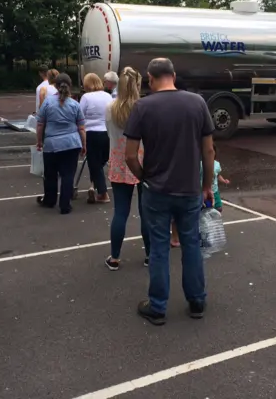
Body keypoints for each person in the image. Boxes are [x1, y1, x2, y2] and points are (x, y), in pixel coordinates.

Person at [124, 57, 215, 326]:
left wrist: (144, 179)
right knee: (191, 245)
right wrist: (207, 186)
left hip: (157, 191)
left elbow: (130, 156)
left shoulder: (143, 106)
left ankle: (158, 306)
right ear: (173, 75)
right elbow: (208, 151)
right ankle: (197, 300)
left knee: (160, 248)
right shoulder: (197, 103)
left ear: (150, 79)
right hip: (189, 191)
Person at [104, 67, 150, 270]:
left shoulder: (110, 108)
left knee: (120, 212)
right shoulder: (144, 108)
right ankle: (150, 255)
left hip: (119, 161)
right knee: (146, 212)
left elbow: (109, 134)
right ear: (137, 85)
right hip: (143, 162)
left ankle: (114, 257)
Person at [36, 73, 86, 215]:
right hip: (71, 143)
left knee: (50, 174)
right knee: (68, 175)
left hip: (51, 144)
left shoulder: (47, 102)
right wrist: (84, 144)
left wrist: (39, 141)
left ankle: (50, 200)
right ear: (70, 86)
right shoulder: (75, 104)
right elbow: (81, 128)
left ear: (55, 86)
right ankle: (65, 205)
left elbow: (40, 124)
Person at [80, 73, 112, 204]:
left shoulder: (86, 97)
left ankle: (103, 193)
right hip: (106, 132)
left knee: (94, 163)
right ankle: (94, 185)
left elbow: (80, 116)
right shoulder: (108, 96)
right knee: (101, 160)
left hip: (91, 133)